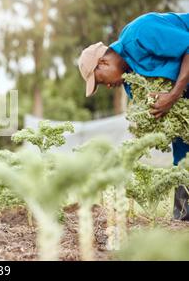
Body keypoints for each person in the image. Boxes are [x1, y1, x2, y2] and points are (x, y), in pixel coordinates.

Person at [78, 12, 189, 220]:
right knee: (183, 148)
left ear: (102, 63)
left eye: (102, 81)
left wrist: (173, 95)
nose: (109, 86)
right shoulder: (131, 84)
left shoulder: (140, 34)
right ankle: (183, 215)